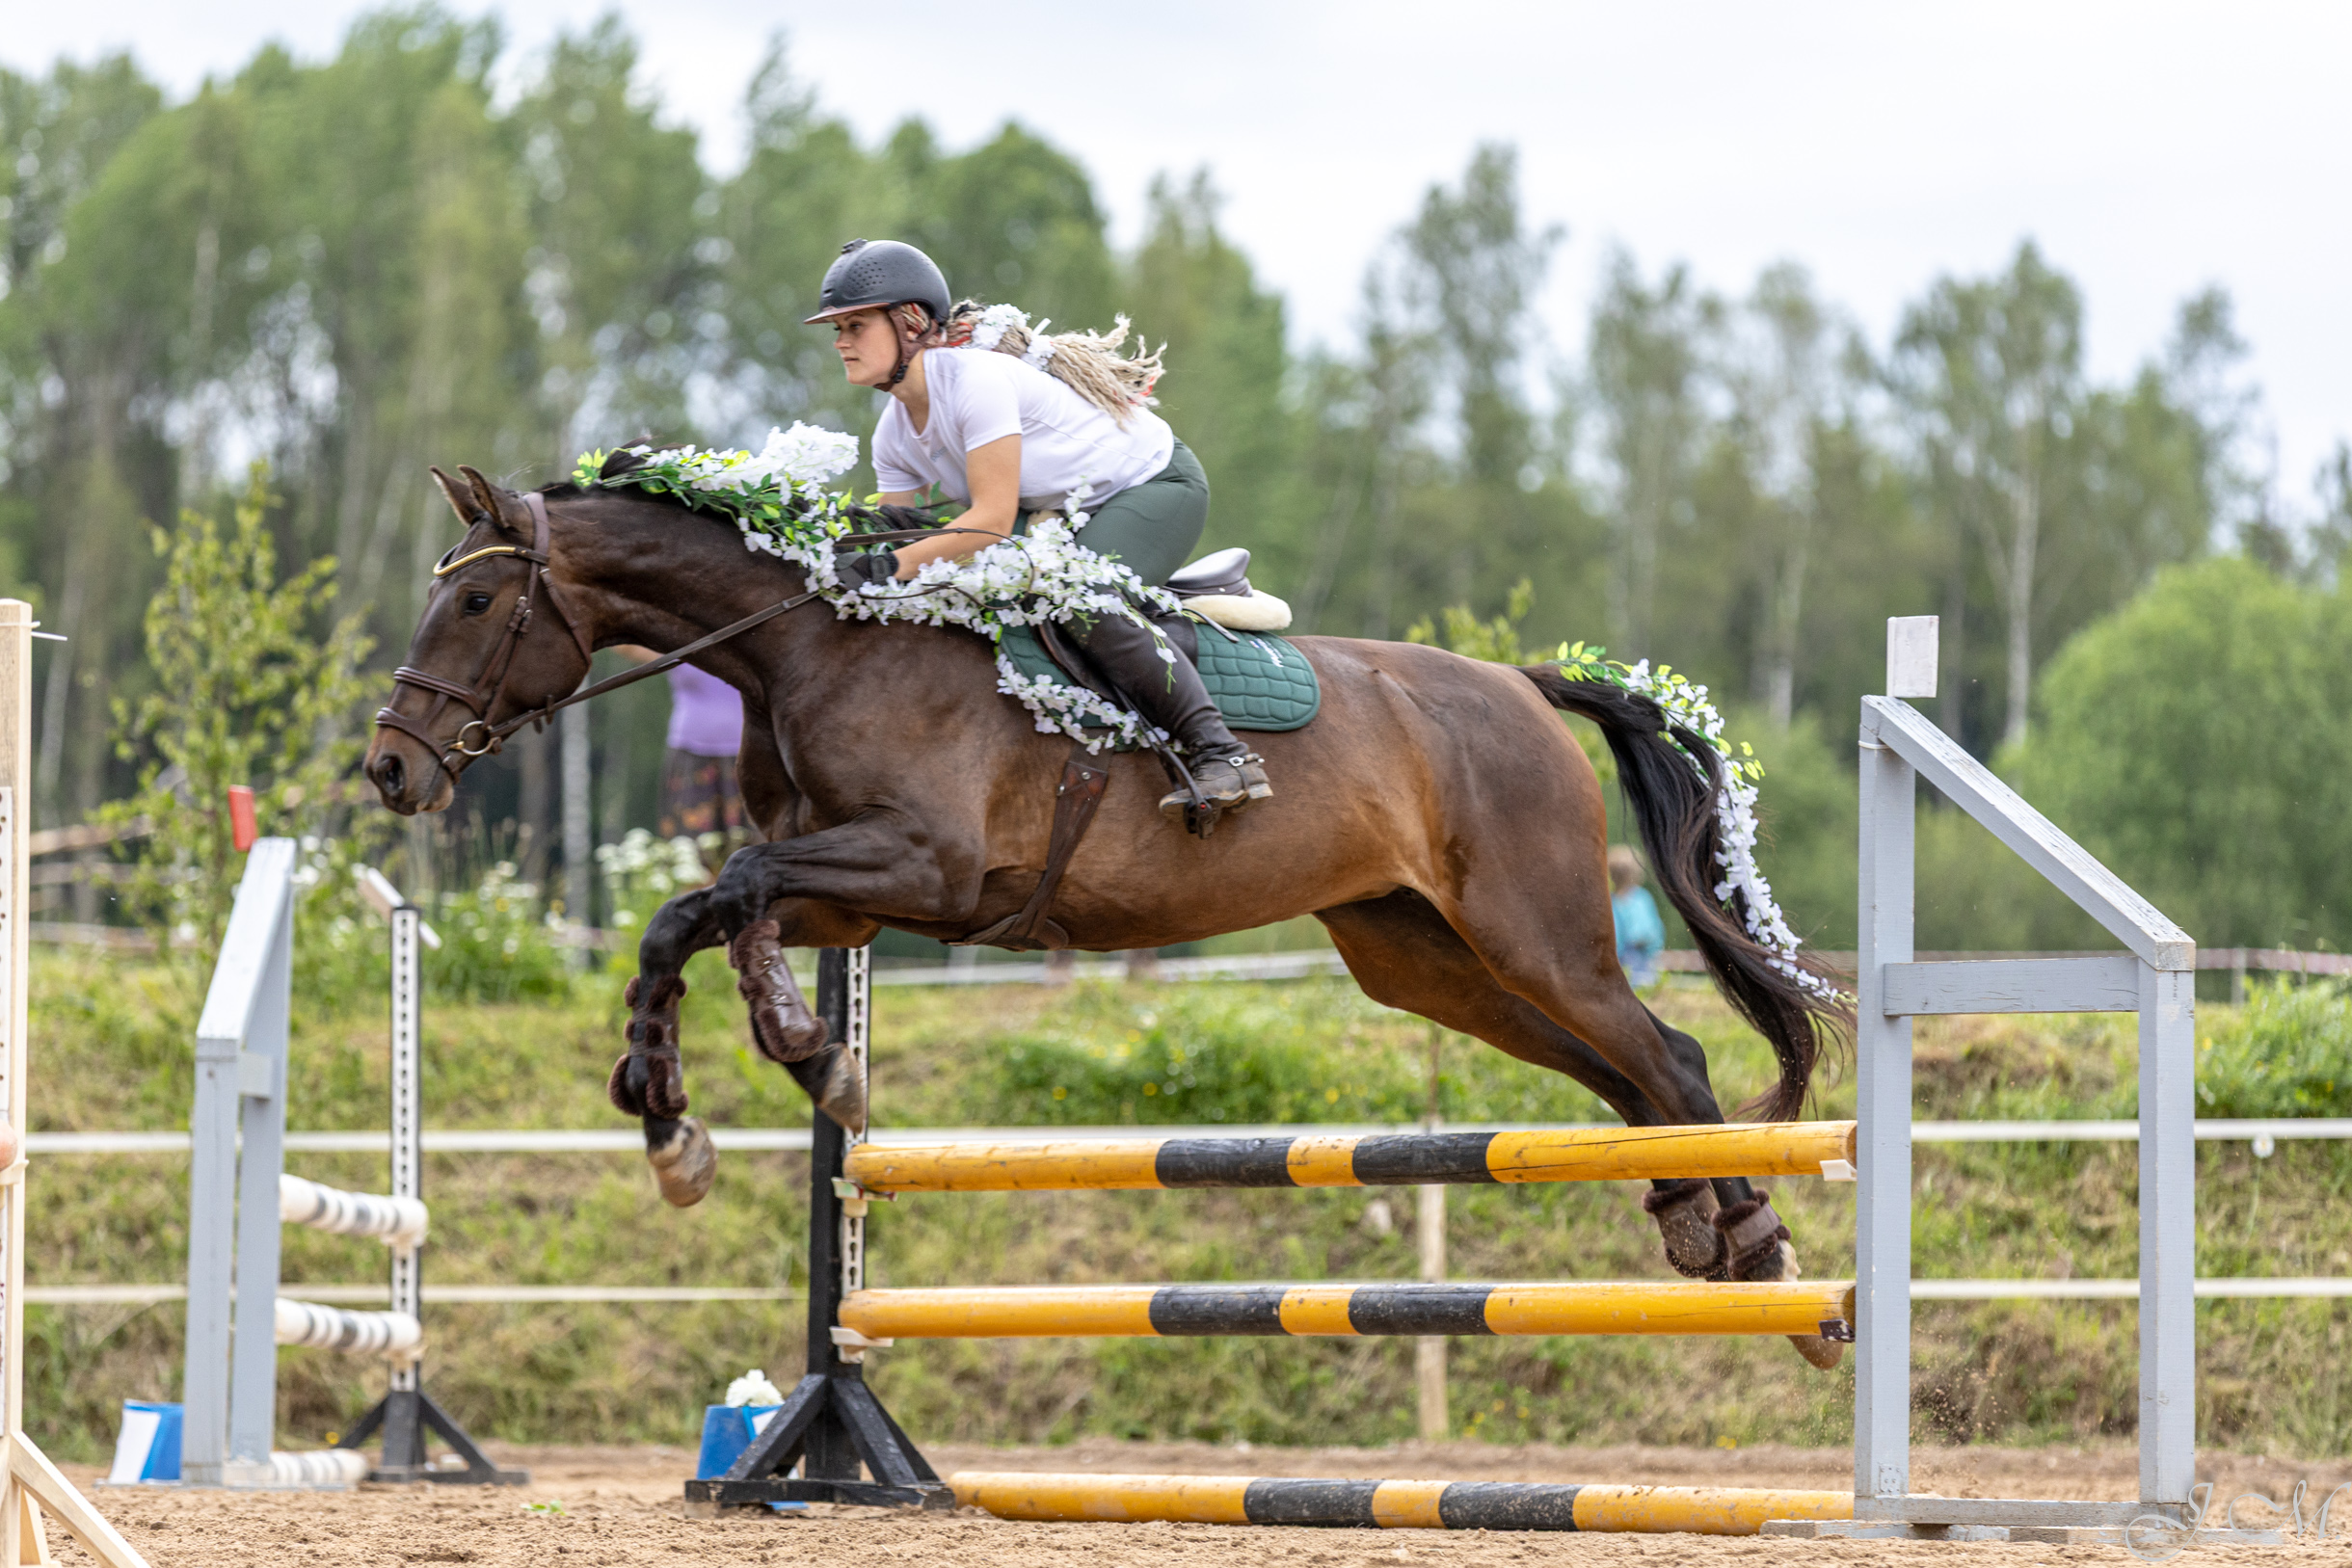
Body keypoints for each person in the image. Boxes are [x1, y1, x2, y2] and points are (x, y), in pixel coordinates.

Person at [805, 238, 1271, 823]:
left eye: (854, 324)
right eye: (835, 328)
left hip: (1153, 487)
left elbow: (990, 522)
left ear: (911, 322)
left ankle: (1222, 752)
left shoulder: (976, 381)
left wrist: (891, 568)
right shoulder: (893, 432)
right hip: (1061, 511)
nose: (840, 341)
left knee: (1079, 596)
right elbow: (902, 534)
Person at [1609, 845, 1665, 990]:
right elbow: (1652, 933)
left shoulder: (1636, 899)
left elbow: (1647, 935)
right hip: (1627, 965)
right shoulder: (1640, 899)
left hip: (1637, 964)